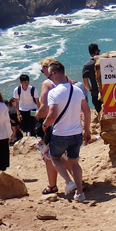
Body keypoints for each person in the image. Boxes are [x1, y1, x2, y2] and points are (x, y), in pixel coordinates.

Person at [41, 61, 93, 202]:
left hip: (60, 134)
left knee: (54, 158)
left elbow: (52, 114)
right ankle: (80, 193)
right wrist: (87, 130)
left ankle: (69, 183)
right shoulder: (77, 90)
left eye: (50, 75)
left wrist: (45, 124)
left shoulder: (54, 92)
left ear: (54, 74)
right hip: (76, 134)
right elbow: (87, 111)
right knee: (74, 163)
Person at [36, 58, 76, 195]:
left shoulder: (47, 83)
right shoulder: (68, 80)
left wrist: (37, 117)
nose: (43, 73)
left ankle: (53, 185)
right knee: (68, 156)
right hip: (71, 123)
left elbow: (44, 108)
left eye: (43, 70)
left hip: (53, 125)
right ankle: (77, 182)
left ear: (47, 68)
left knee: (49, 156)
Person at [12, 73, 40, 139]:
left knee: (32, 127)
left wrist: (39, 111)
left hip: (32, 109)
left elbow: (37, 101)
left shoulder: (32, 89)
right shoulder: (17, 90)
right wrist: (18, 113)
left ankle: (32, 140)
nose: (26, 83)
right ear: (20, 82)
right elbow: (16, 102)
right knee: (24, 128)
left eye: (27, 81)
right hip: (22, 110)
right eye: (24, 81)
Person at [82, 44, 102, 114]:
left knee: (99, 112)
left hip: (95, 93)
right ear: (96, 51)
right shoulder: (104, 62)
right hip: (106, 92)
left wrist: (90, 89)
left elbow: (85, 81)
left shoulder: (86, 66)